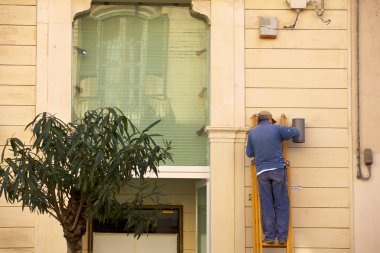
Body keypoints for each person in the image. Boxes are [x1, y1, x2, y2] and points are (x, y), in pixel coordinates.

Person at [246, 111, 300, 244]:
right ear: (270, 119)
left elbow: (249, 153)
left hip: (261, 172)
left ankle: (269, 237)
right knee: (281, 204)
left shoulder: (252, 132)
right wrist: (281, 136)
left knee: (266, 205)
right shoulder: (276, 128)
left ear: (259, 121)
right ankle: (282, 238)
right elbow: (295, 132)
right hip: (277, 169)